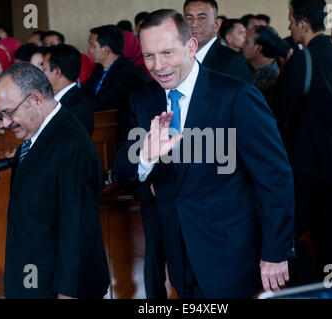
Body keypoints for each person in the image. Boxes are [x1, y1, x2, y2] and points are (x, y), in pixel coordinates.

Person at [113, 9, 295, 299]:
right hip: (177, 252)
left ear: (191, 46)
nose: (158, 65)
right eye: (149, 56)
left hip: (231, 253)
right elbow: (122, 171)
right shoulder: (143, 98)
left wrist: (276, 250)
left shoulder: (236, 96)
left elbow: (274, 178)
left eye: (167, 52)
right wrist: (145, 156)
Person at [0, 62, 109, 299]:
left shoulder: (72, 144)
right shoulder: (40, 135)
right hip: (32, 276)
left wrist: (68, 293)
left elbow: (77, 228)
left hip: (53, 284)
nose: (6, 123)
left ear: (35, 99)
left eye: (9, 112)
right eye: (1, 114)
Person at [277, 0, 332, 286]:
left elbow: (285, 113)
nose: (289, 26)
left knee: (283, 238)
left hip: (306, 167)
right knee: (331, 241)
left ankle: (307, 290)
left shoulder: (303, 59)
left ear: (302, 23)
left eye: (290, 20)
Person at [84, 25, 145, 144]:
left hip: (123, 135)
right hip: (102, 128)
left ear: (106, 49)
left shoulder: (126, 72)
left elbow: (103, 102)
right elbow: (84, 94)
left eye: (93, 46)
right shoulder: (98, 69)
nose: (89, 50)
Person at [183, 0, 252, 82]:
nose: (194, 24)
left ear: (216, 24)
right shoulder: (178, 56)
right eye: (189, 18)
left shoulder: (233, 60)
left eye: (202, 18)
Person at [42, 44, 94, 135]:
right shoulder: (47, 97)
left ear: (57, 72)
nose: (41, 75)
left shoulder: (78, 106)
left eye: (44, 69)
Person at [243, 26, 281, 112]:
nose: (242, 45)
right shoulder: (247, 68)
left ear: (258, 48)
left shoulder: (275, 79)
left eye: (246, 42)